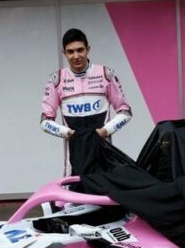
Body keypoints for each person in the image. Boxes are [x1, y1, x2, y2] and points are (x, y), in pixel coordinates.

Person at [40, 29, 133, 161]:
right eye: (70, 52)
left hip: (104, 154)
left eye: (80, 50)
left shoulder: (106, 74)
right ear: (64, 53)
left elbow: (126, 113)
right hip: (75, 157)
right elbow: (45, 122)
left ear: (88, 49)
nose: (76, 56)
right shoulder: (56, 80)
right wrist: (69, 134)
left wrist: (105, 132)